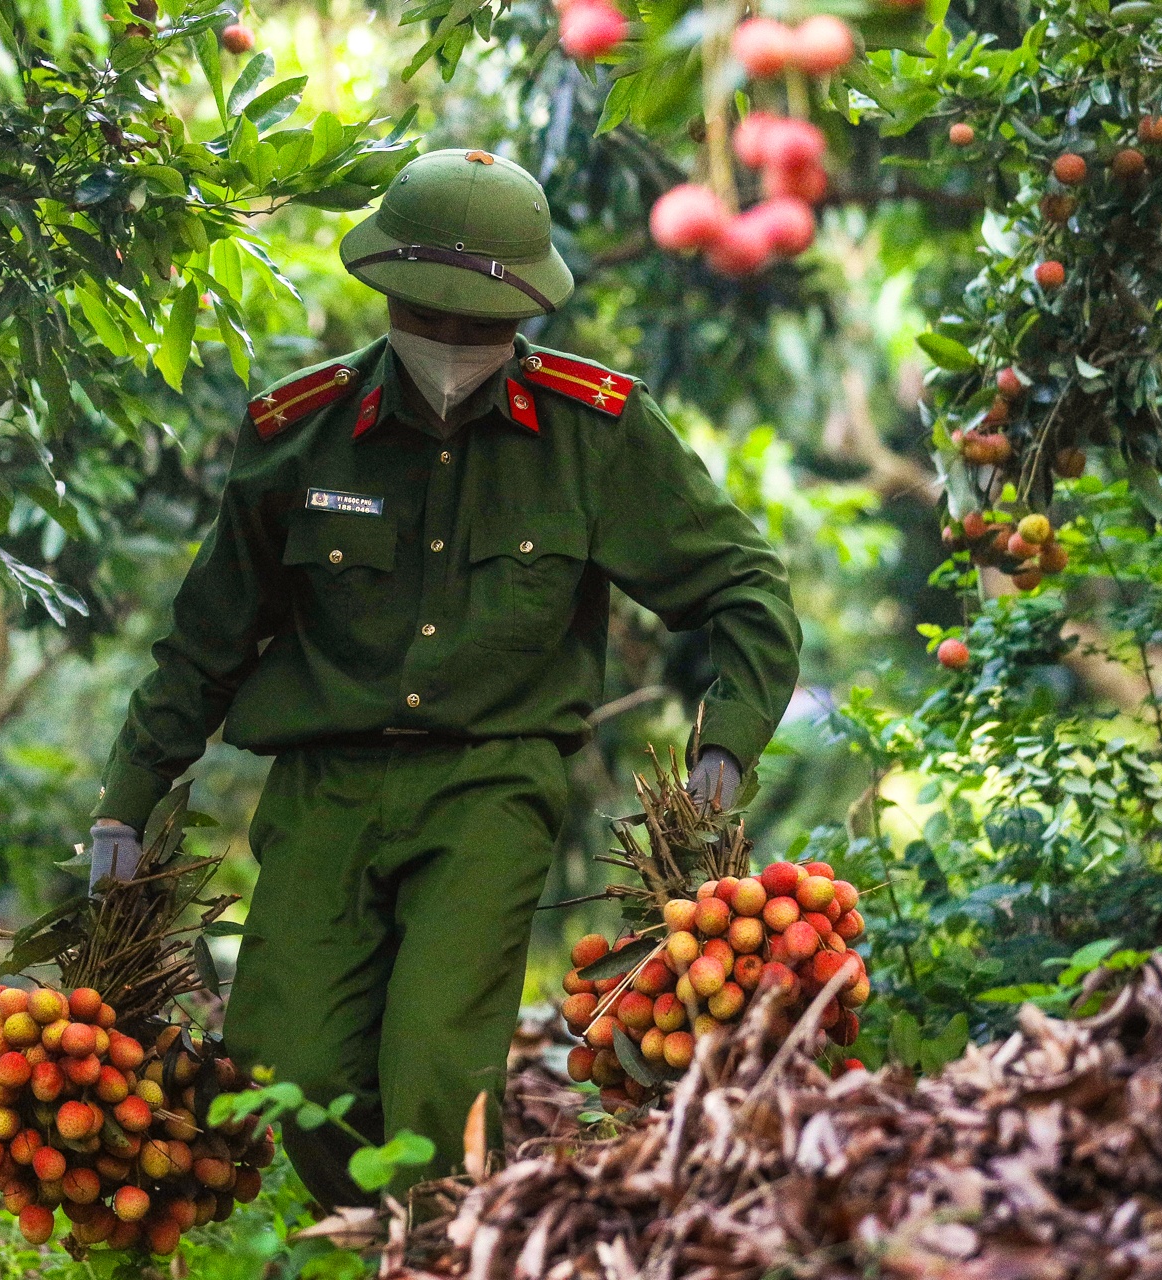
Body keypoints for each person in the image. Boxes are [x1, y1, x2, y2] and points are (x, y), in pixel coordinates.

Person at [87, 148, 801, 1206]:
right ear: (388, 293)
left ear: (526, 309)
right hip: (325, 787)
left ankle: (439, 1239)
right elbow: (205, 643)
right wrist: (125, 802)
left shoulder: (593, 434)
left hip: (491, 784)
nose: (458, 343)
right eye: (435, 314)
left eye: (485, 322)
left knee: (432, 1073)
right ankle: (405, 1235)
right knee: (285, 1070)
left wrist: (727, 745)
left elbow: (745, 586)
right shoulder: (302, 435)